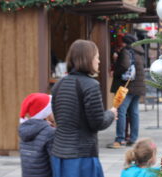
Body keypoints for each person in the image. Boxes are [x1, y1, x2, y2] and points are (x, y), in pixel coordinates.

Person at [50, 39, 117, 177]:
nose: (99, 61)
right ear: (88, 59)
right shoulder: (90, 85)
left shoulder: (58, 84)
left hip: (59, 154)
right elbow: (97, 123)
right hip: (82, 156)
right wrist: (111, 114)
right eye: (97, 57)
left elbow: (58, 118)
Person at [109, 34, 146, 148]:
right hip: (138, 86)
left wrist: (115, 72)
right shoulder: (139, 52)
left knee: (121, 112)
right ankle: (133, 138)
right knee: (134, 112)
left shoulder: (126, 51)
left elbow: (125, 65)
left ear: (125, 42)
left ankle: (120, 139)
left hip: (127, 86)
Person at [18, 93, 55, 177]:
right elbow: (54, 160)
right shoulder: (50, 132)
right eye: (52, 109)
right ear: (46, 112)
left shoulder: (25, 129)